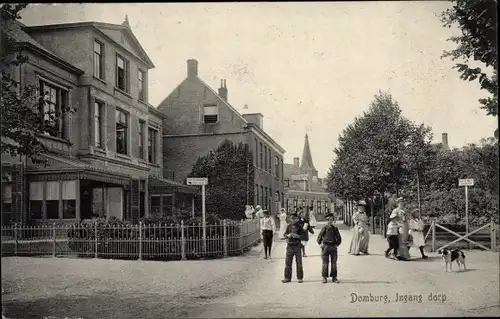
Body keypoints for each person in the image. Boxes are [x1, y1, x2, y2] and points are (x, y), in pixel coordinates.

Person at [317, 212, 342, 283]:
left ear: (333, 220)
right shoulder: (324, 228)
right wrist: (320, 244)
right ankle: (324, 277)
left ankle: (334, 277)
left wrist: (336, 244)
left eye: (331, 219)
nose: (329, 221)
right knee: (325, 263)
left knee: (334, 263)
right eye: (328, 220)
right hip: (325, 247)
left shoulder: (335, 229)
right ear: (326, 220)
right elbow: (319, 238)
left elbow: (339, 238)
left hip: (333, 247)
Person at [282, 213, 306, 283]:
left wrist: (297, 236)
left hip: (297, 246)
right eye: (291, 218)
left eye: (294, 218)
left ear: (297, 219)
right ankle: (287, 277)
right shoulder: (288, 226)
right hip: (289, 246)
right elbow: (285, 234)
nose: (292, 220)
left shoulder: (299, 226)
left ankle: (300, 277)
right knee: (288, 262)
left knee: (299, 263)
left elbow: (304, 236)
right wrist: (287, 235)